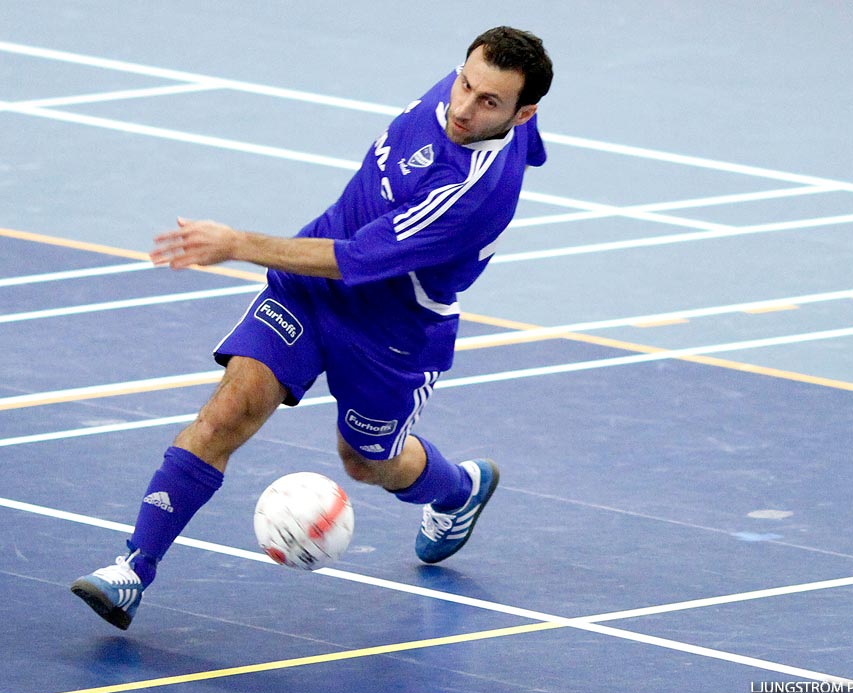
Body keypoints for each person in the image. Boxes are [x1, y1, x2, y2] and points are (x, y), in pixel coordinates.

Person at [70, 26, 553, 630]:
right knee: (229, 411)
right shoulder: (477, 101)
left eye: (489, 103)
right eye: (465, 84)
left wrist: (238, 243)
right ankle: (133, 570)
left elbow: (349, 259)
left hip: (392, 332)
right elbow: (523, 138)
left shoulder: (472, 194)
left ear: (521, 110)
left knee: (367, 461)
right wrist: (519, 135)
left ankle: (458, 490)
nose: (463, 107)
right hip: (308, 291)